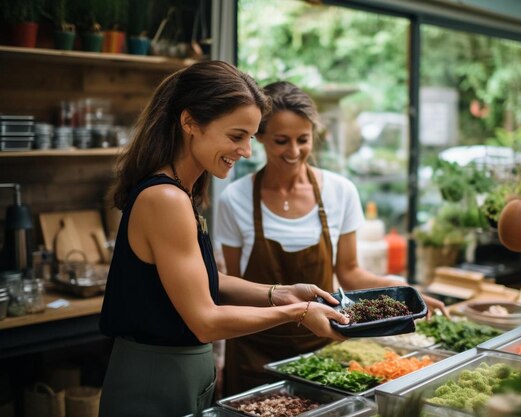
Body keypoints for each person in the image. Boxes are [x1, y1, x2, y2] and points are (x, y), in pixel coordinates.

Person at [98, 62, 348, 417]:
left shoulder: (182, 192)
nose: (246, 150)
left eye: (250, 136)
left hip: (178, 372)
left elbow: (200, 282)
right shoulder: (165, 199)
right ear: (190, 123)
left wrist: (278, 292)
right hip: (157, 377)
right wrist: (298, 312)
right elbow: (206, 320)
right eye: (236, 136)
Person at [215, 81, 447, 395]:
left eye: (303, 140)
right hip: (253, 352)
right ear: (260, 137)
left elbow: (349, 273)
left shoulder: (340, 192)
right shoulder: (235, 198)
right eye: (282, 141)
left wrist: (406, 294)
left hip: (322, 348)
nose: (294, 152)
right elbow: (235, 288)